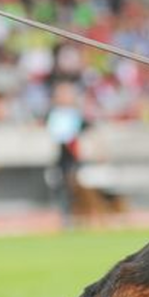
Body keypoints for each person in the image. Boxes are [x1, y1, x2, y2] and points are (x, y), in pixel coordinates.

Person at [46, 82, 87, 226]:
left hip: (72, 154)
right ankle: (64, 214)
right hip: (62, 153)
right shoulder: (56, 113)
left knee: (73, 186)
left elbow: (79, 132)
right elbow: (56, 133)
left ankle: (73, 214)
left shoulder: (74, 113)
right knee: (61, 185)